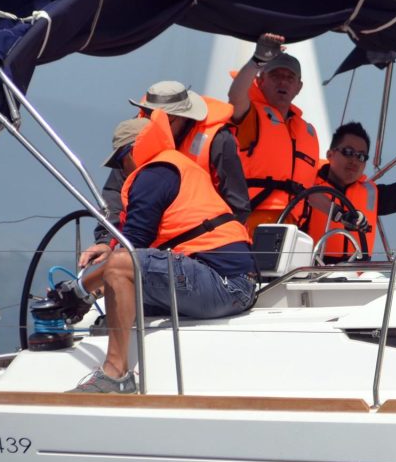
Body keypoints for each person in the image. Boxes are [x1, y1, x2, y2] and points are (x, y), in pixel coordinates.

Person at [70, 112, 256, 393]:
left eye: (121, 161)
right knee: (119, 278)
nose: (122, 171)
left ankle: (116, 375)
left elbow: (131, 251)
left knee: (120, 266)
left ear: (131, 151)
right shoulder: (173, 167)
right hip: (232, 280)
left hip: (224, 283)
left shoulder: (153, 174)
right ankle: (115, 339)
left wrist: (78, 292)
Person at [92, 80, 250, 246]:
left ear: (180, 117)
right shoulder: (136, 133)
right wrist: (105, 239)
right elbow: (114, 191)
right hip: (148, 239)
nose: (152, 123)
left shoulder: (219, 140)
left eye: (160, 118)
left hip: (203, 244)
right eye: (148, 115)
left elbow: (238, 205)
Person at [303, 119, 396, 262]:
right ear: (330, 154)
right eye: (348, 152)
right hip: (310, 275)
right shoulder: (305, 187)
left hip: (354, 280)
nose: (354, 160)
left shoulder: (370, 194)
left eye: (361, 157)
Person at [228, 35, 319, 234]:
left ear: (298, 87)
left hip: (292, 229)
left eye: (289, 78)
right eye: (275, 76)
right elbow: (235, 97)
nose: (283, 82)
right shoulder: (251, 115)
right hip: (249, 224)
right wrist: (257, 61)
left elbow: (310, 191)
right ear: (260, 81)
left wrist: (340, 213)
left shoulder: (307, 132)